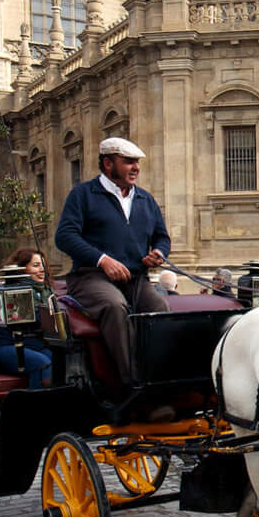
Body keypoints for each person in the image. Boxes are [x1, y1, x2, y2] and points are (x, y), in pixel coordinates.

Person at [55, 136, 171, 385]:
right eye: (129, 162)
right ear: (108, 164)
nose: (136, 168)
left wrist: (159, 253)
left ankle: (161, 381)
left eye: (137, 162)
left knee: (160, 310)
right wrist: (102, 260)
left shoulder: (146, 199)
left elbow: (162, 237)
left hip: (136, 279)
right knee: (114, 307)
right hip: (90, 277)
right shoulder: (83, 195)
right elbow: (64, 236)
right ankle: (134, 385)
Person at [0, 247, 54, 389]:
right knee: (42, 363)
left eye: (43, 265)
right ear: (22, 269)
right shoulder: (10, 291)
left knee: (64, 360)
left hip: (35, 346)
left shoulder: (45, 291)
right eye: (36, 265)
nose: (42, 270)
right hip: (9, 347)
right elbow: (27, 319)